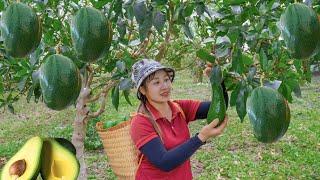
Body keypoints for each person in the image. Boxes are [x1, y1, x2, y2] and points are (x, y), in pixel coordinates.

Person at [130, 59, 229, 180]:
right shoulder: (140, 122)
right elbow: (164, 162)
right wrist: (201, 137)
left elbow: (218, 106)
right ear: (143, 90)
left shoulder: (178, 107)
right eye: (156, 83)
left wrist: (217, 80)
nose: (165, 86)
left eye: (166, 80)